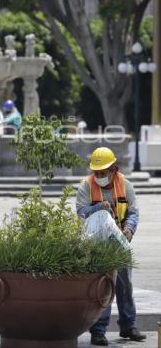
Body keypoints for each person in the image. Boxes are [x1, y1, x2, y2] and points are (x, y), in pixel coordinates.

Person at [76, 147, 146, 346]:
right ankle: (98, 331)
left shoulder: (125, 184)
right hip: (96, 244)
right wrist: (99, 207)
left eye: (103, 173)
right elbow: (81, 212)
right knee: (103, 287)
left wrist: (130, 230)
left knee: (125, 286)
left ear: (113, 169)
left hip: (120, 242)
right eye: (96, 173)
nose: (99, 176)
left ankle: (128, 326)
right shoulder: (86, 186)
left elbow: (133, 212)